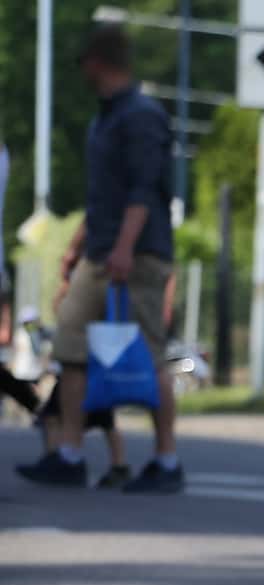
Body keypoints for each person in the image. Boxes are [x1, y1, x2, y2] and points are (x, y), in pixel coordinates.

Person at [17, 25, 180, 492]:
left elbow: (143, 189)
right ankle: (68, 453)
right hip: (100, 251)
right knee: (71, 344)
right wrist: (75, 250)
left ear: (97, 62)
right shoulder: (105, 118)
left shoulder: (141, 115)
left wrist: (126, 246)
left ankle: (166, 461)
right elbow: (103, 196)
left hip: (138, 253)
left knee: (148, 353)